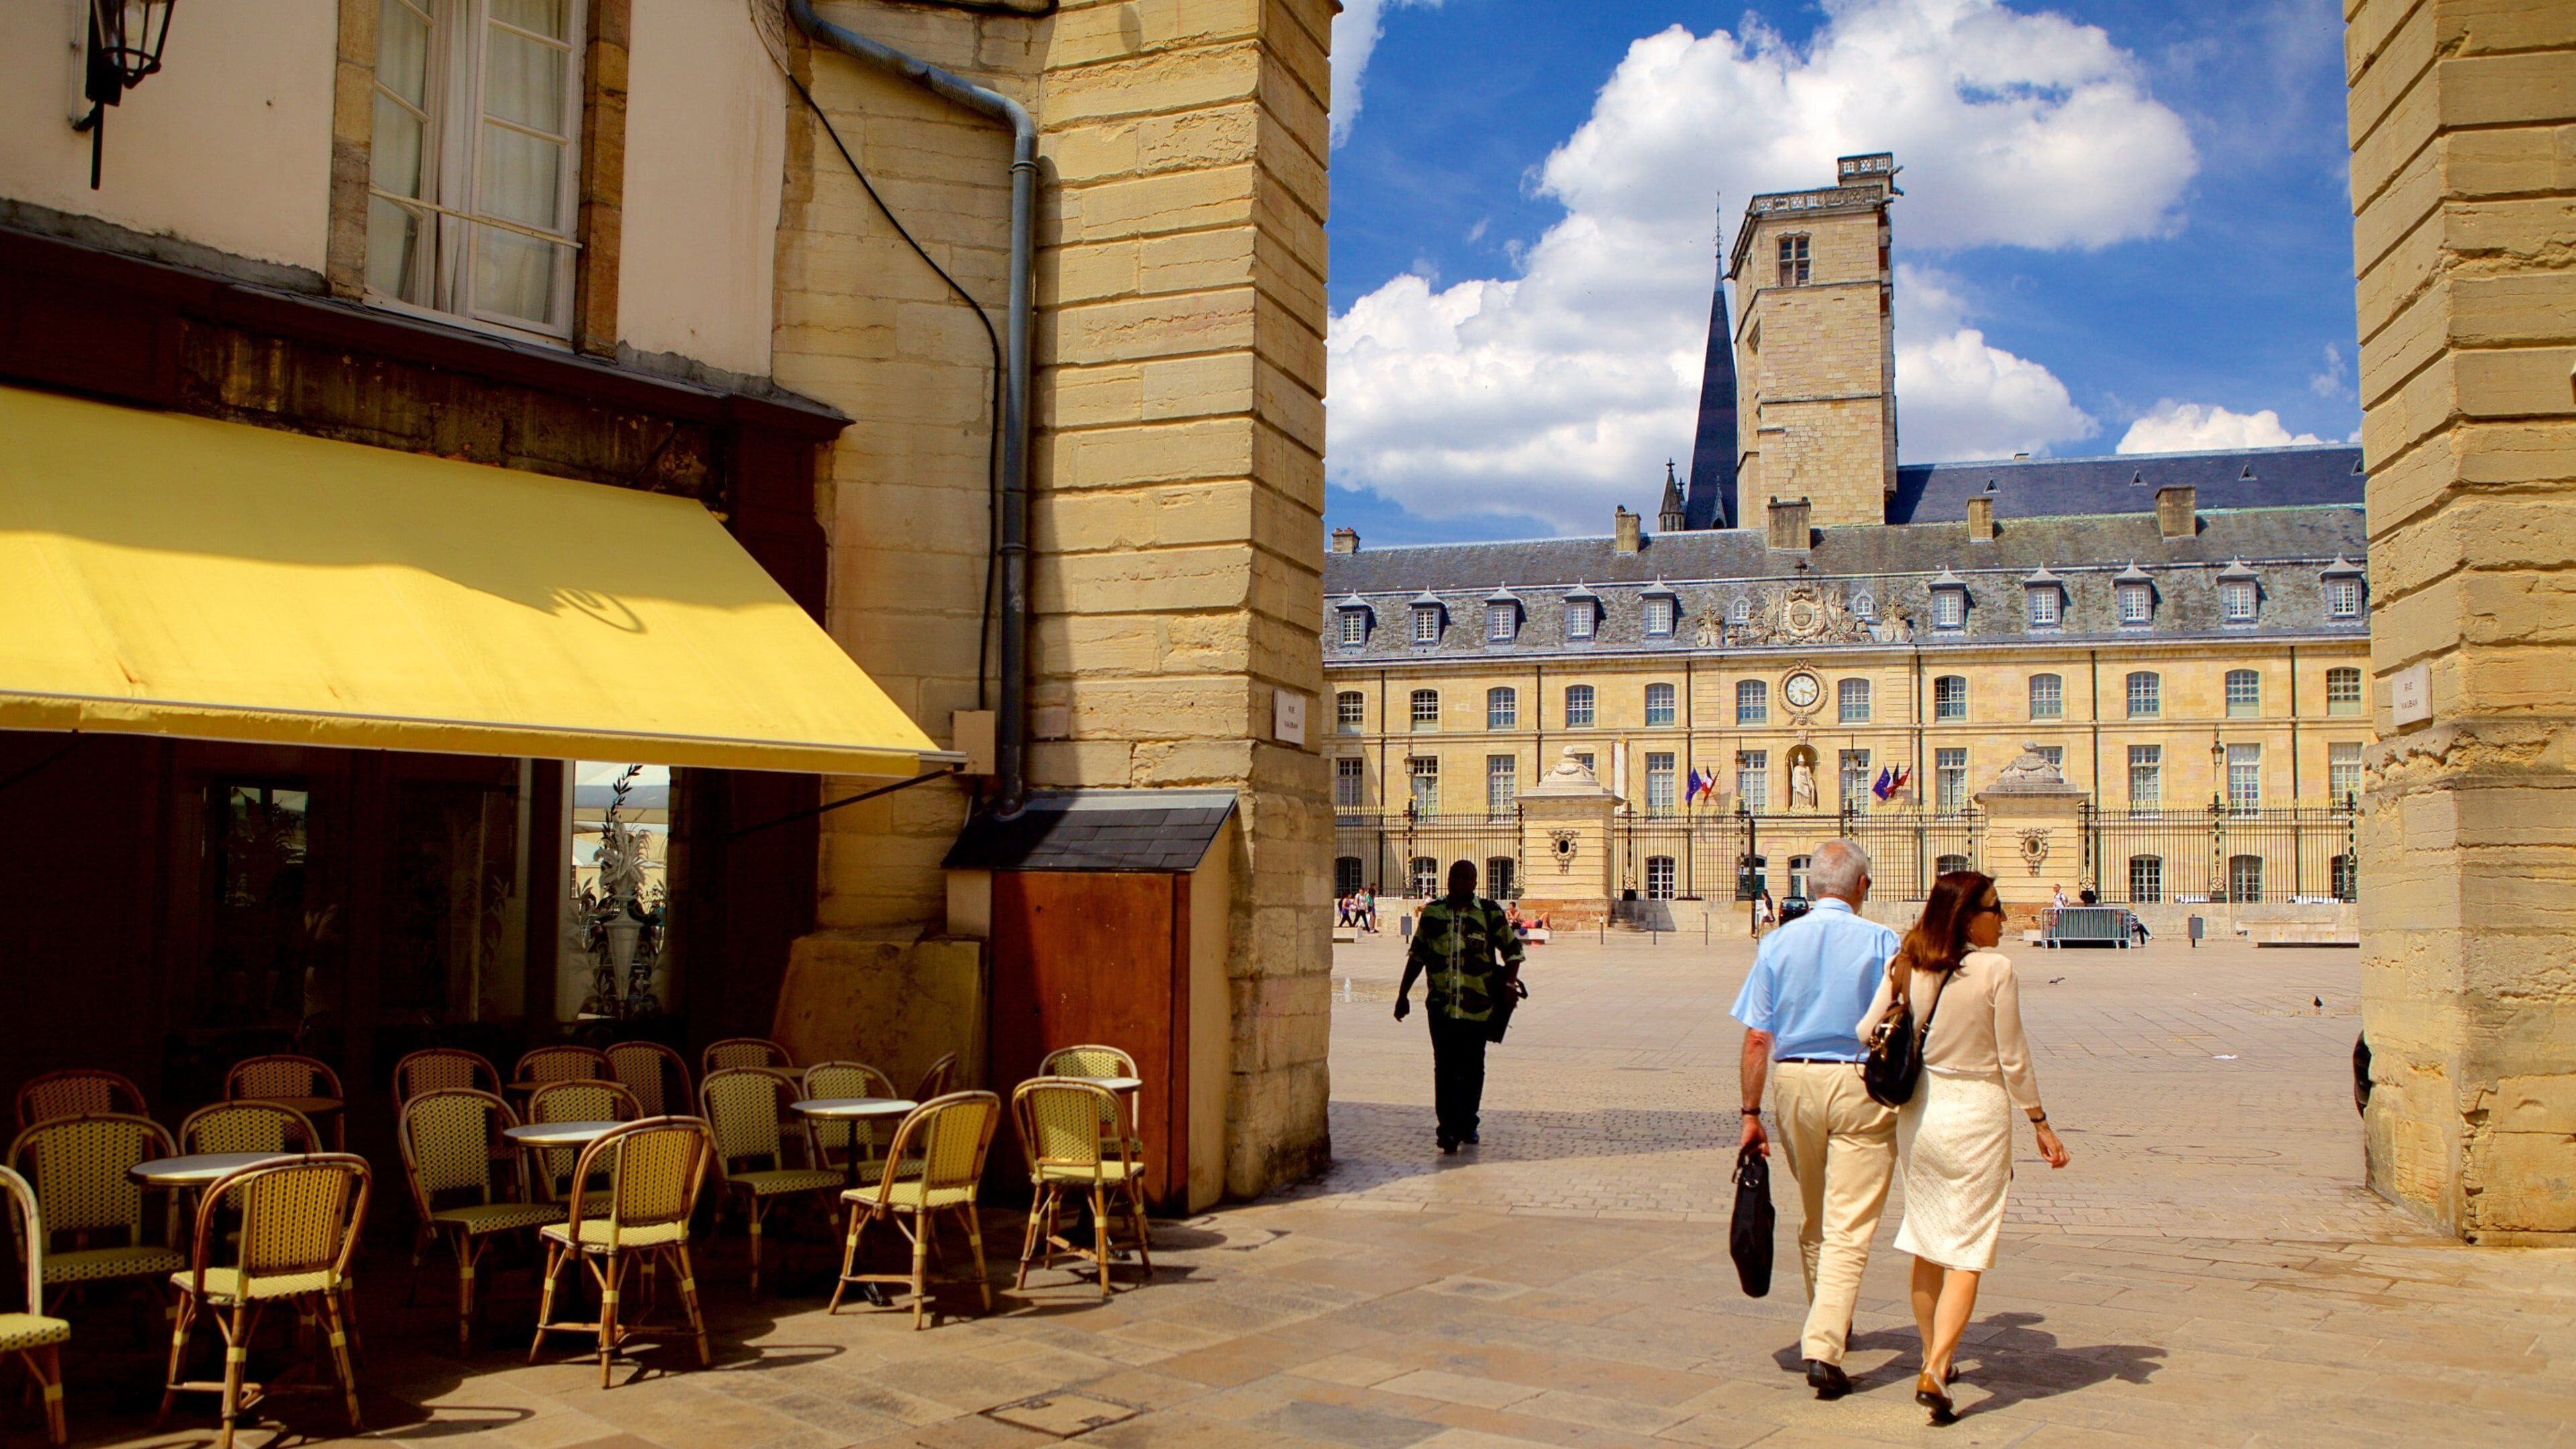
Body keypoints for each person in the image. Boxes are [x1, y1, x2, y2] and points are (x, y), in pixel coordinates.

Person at [1859, 871, 2070, 1426]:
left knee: (1927, 1241)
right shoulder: (1996, 970)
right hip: (1977, 1113)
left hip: (1921, 1116)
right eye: (1995, 909)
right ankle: (1935, 1368)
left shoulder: (1906, 963)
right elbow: (2013, 1058)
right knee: (1968, 1251)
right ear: (1968, 917)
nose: (2002, 919)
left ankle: (1934, 1357)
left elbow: (1864, 1030)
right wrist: (2040, 1123)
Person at [1730, 841, 1900, 1400]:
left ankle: (1828, 1315)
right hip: (1860, 1083)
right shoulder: (1883, 941)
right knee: (1850, 1221)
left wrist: (1750, 1114)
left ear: (1810, 887)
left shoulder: (1777, 942)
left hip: (1796, 1082)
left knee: (1817, 1213)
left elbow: (1758, 1037)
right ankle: (1824, 1346)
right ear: (1862, 886)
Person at [1395, 859, 1525, 1154]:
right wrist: (1403, 995)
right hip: (1441, 1006)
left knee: (1472, 1066)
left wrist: (1508, 985)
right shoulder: (1433, 914)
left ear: (1476, 882)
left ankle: (1468, 1122)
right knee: (1444, 1067)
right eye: (1460, 877)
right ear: (1449, 880)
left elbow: (1513, 952)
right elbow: (1417, 956)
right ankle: (1447, 1130)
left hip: (1478, 1007)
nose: (1465, 883)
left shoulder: (1489, 913)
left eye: (1470, 878)